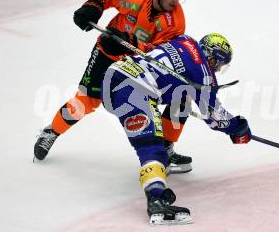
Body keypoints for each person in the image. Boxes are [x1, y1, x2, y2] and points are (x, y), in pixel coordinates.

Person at [34, 0, 194, 171]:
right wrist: (93, 6)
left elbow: (161, 51)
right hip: (107, 53)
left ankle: (165, 148)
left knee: (180, 96)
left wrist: (134, 44)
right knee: (86, 101)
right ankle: (51, 131)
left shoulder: (176, 21)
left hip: (138, 66)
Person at [101, 33, 251, 225]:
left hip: (115, 74)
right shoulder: (203, 74)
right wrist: (238, 128)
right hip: (133, 90)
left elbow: (154, 49)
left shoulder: (185, 40)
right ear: (212, 58)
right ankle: (156, 199)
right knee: (151, 148)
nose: (217, 69)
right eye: (219, 65)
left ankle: (166, 148)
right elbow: (214, 116)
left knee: (183, 98)